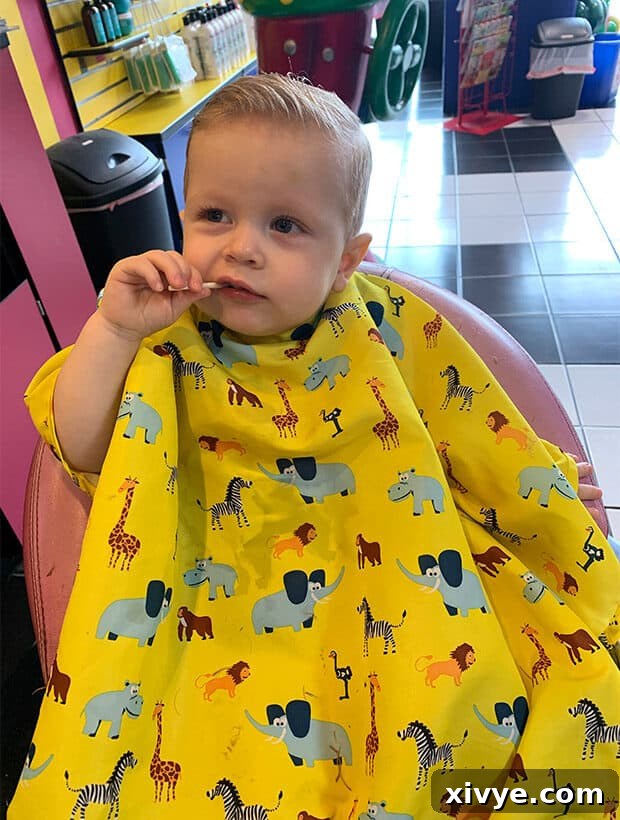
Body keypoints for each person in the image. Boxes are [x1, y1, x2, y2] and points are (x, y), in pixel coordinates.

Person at [11, 74, 619, 819]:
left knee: (472, 722)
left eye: (286, 226)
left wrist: (541, 493)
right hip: (215, 592)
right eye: (214, 215)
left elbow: (473, 426)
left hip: (393, 569)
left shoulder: (391, 327)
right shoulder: (161, 337)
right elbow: (79, 441)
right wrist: (110, 330)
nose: (242, 248)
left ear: (347, 258)